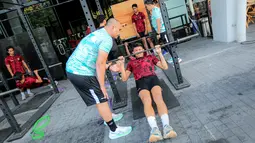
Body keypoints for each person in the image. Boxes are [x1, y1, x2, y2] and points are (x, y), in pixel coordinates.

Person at [65, 18, 132, 140]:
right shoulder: (107, 39)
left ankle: (109, 116)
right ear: (113, 27)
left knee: (100, 97)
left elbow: (97, 59)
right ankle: (114, 130)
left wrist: (110, 66)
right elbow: (99, 64)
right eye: (119, 29)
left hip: (76, 69)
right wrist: (102, 86)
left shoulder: (99, 33)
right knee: (101, 98)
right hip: (80, 72)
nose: (119, 33)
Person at [117, 43, 177, 142]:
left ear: (144, 50)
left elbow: (165, 67)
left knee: (158, 98)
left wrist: (160, 53)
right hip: (141, 82)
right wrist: (121, 65)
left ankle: (167, 127)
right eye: (136, 50)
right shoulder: (131, 63)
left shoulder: (150, 57)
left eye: (140, 49)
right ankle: (154, 130)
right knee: (147, 100)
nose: (138, 51)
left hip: (153, 79)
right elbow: (124, 78)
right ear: (133, 53)